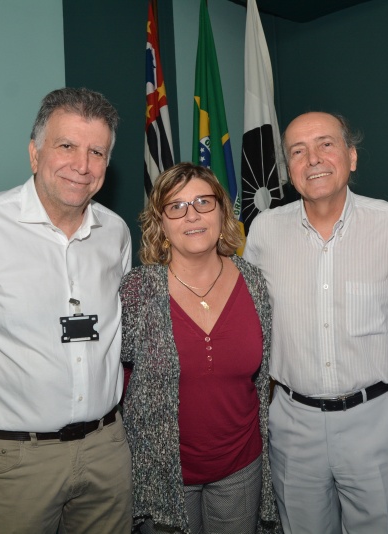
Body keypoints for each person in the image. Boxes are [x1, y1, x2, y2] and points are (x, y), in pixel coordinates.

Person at [0, 87, 133, 533]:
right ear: (35, 153)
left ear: (107, 165)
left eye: (97, 152)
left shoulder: (116, 233)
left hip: (108, 449)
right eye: (66, 146)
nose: (82, 165)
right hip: (15, 458)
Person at [242, 112, 388, 533]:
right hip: (293, 423)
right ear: (288, 169)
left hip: (375, 421)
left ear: (352, 156)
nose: (314, 159)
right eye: (298, 151)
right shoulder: (264, 233)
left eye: (326, 144)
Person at [119, 163, 279, 534]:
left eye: (203, 202)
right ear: (161, 221)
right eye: (176, 206)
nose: (192, 215)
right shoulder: (138, 290)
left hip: (240, 467)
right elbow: (119, 379)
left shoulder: (252, 281)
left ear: (222, 210)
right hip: (162, 474)